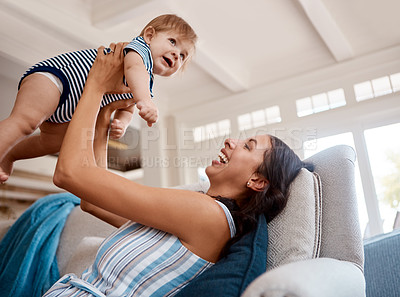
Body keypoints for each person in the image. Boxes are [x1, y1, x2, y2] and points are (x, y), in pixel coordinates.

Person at [42, 43, 312, 296]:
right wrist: (104, 114)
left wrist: (95, 85)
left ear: (257, 180)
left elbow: (69, 173)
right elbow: (92, 201)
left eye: (248, 145)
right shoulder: (191, 215)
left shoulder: (207, 214)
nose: (231, 141)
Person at [0, 14, 197, 183]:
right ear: (149, 35)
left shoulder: (146, 85)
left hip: (66, 110)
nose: (176, 54)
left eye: (182, 56)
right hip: (56, 79)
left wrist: (122, 122)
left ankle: (12, 154)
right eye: (172, 42)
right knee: (26, 123)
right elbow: (133, 70)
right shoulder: (138, 51)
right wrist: (144, 100)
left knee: (52, 142)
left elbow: (127, 107)